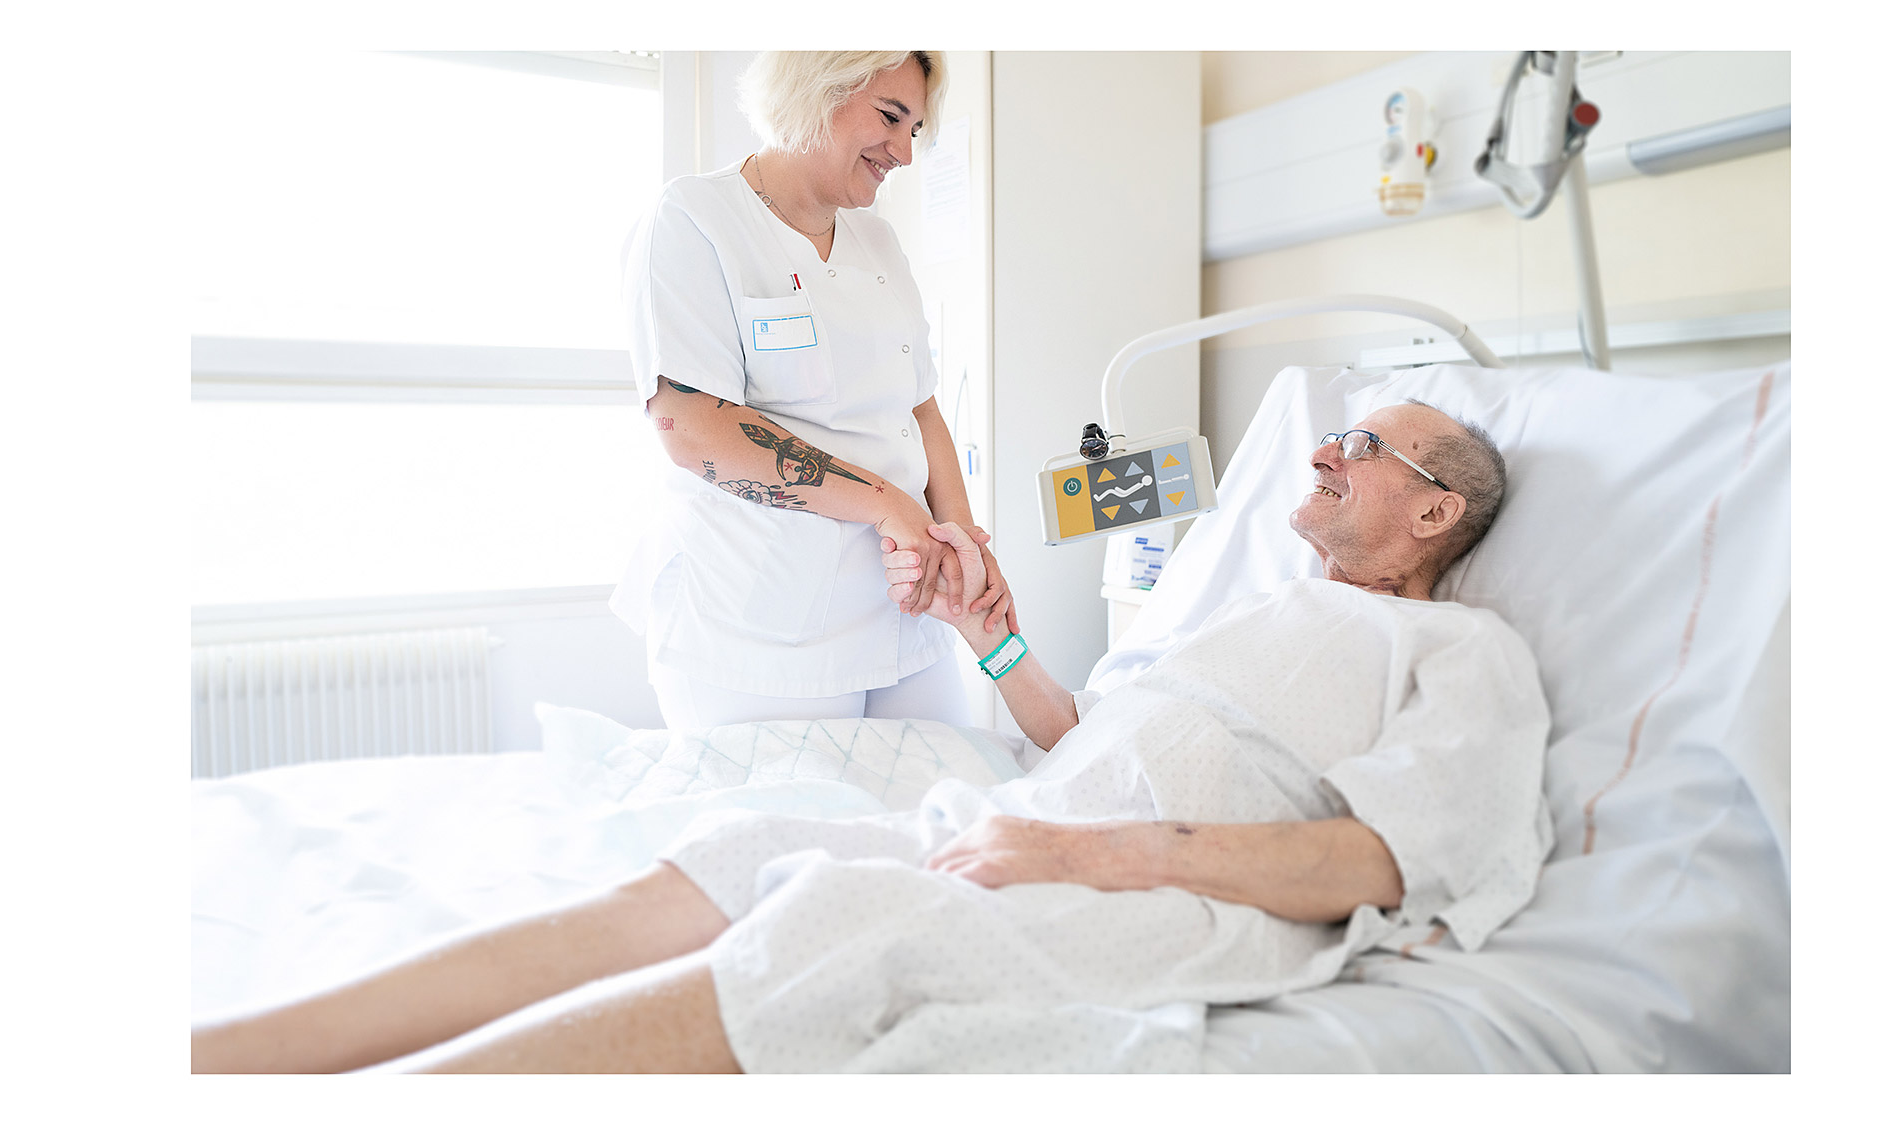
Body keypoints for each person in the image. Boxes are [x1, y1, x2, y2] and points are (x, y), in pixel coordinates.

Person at [192, 403, 1553, 1074]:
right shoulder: (1252, 609)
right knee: (735, 850)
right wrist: (994, 641)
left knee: (850, 924)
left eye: (1364, 443)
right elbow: (1087, 736)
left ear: (1437, 514)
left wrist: (1100, 851)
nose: (1321, 453)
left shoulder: (1461, 652)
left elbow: (1378, 859)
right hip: (1040, 824)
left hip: (1176, 894)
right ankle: (238, 1055)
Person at [609, 50, 1013, 731]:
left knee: (944, 804)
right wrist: (886, 502)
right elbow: (693, 430)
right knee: (797, 827)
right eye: (890, 118)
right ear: (817, 88)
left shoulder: (879, 242)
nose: (903, 154)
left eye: (913, 130)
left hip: (900, 610)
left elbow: (921, 409)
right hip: (759, 627)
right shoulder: (695, 219)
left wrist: (963, 542)